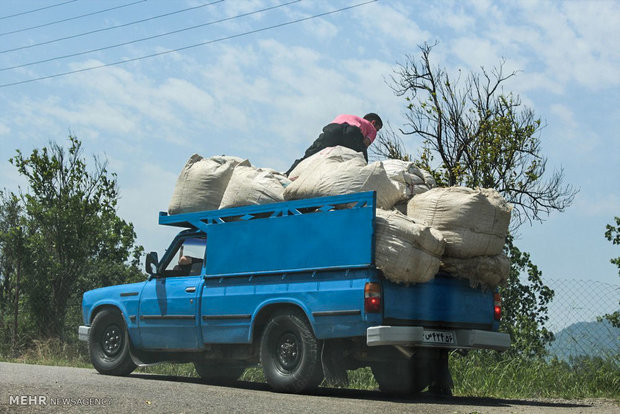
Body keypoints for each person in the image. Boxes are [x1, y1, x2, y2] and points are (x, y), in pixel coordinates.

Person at [285, 113, 382, 176]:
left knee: (309, 155)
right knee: (362, 163)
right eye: (377, 128)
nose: (376, 130)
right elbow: (365, 143)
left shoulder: (346, 115)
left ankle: (288, 174)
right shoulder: (371, 128)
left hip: (332, 130)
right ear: (373, 122)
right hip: (353, 132)